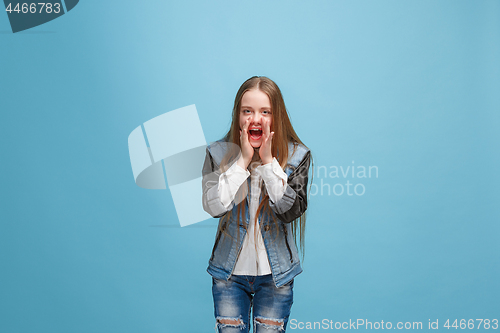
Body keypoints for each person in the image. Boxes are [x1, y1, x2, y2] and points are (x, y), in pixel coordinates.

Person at [202, 76, 312, 333]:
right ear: (238, 116)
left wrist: (268, 162)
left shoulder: (298, 156)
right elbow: (213, 207)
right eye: (247, 111)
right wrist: (241, 162)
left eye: (265, 112)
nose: (255, 119)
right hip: (228, 276)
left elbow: (289, 211)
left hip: (276, 278)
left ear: (277, 117)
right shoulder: (217, 153)